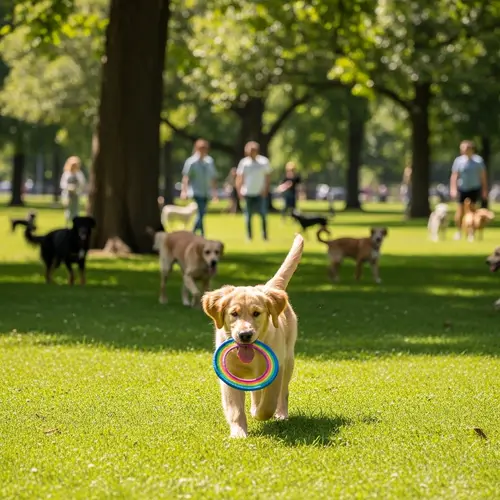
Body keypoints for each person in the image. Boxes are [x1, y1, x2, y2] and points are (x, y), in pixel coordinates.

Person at [449, 140, 488, 240]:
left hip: (474, 188)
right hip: (463, 188)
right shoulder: (459, 161)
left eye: (466, 148)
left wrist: (484, 190)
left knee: (473, 212)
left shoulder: (478, 161)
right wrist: (453, 188)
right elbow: (454, 176)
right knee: (460, 211)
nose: (464, 151)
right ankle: (459, 231)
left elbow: (483, 176)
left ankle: (471, 233)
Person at [180, 139, 218, 237]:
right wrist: (184, 191)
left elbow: (213, 178)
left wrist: (214, 193)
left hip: (206, 191)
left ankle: (195, 233)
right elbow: (186, 177)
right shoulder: (191, 162)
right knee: (201, 213)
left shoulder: (209, 161)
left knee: (202, 213)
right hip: (196, 191)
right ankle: (200, 234)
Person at [236, 141, 271, 241]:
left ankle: (264, 235)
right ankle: (249, 236)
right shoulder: (244, 163)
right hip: (248, 192)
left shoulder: (264, 162)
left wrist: (266, 190)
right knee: (248, 216)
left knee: (263, 215)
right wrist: (239, 191)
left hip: (260, 192)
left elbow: (267, 177)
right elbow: (239, 178)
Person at [60, 156, 86, 226]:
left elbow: (82, 184)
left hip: (76, 194)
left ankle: (75, 225)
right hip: (67, 195)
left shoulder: (79, 174)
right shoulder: (66, 174)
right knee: (68, 210)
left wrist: (76, 189)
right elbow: (63, 184)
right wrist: (68, 187)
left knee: (75, 210)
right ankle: (66, 225)